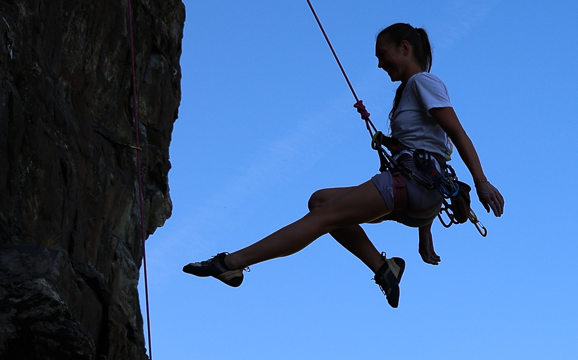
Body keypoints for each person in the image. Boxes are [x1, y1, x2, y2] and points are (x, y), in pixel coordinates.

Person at [183, 23, 505, 308]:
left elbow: (455, 133)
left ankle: (230, 262)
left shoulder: (423, 82)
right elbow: (431, 152)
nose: (379, 64)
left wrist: (481, 181)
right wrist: (425, 233)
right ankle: (384, 269)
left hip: (411, 186)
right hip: (417, 192)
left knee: (324, 216)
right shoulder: (408, 93)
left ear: (405, 47)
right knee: (320, 200)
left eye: (383, 54)